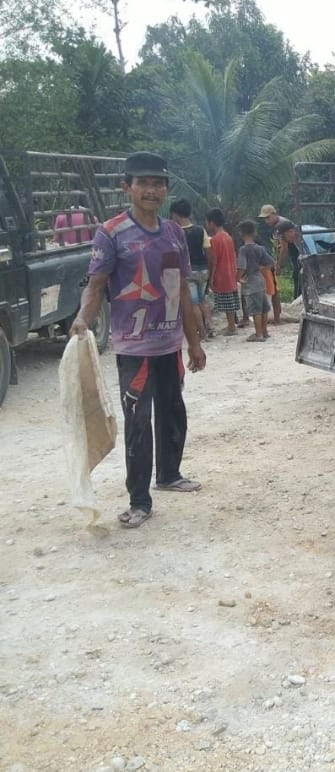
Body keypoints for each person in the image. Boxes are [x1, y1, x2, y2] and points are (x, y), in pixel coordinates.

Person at [70, 152, 206, 529]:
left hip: (169, 345)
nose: (152, 190)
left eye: (158, 183)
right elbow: (96, 287)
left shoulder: (174, 233)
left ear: (165, 189)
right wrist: (83, 319)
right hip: (134, 349)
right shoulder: (111, 233)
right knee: (138, 422)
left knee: (173, 411)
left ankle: (169, 474)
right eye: (143, 183)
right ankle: (139, 500)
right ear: (126, 187)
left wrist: (193, 343)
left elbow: (181, 293)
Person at [169, 198, 214, 339]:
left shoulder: (175, 232)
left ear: (175, 215)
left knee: (193, 303)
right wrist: (210, 272)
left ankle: (201, 332)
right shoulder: (201, 230)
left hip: (188, 272)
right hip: (203, 269)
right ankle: (210, 326)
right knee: (203, 300)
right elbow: (208, 252)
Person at [236, 220, 274, 342]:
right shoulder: (260, 248)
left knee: (255, 310)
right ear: (254, 232)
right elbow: (271, 262)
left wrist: (238, 278)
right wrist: (260, 268)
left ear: (241, 233)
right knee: (263, 308)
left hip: (250, 282)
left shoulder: (243, 250)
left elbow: (242, 266)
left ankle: (258, 334)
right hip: (260, 280)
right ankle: (265, 331)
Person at [205, 208, 240, 336]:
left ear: (212, 223)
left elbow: (214, 261)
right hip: (230, 271)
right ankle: (231, 325)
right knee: (230, 300)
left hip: (221, 274)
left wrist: (211, 277)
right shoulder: (228, 237)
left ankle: (231, 327)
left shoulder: (214, 240)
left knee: (226, 301)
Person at [257, 204, 289, 324]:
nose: (266, 221)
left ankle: (277, 318)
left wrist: (279, 265)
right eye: (265, 218)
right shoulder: (279, 224)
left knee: (275, 291)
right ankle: (277, 317)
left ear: (275, 214)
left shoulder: (279, 226)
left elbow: (284, 248)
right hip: (277, 258)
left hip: (296, 252)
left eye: (268, 217)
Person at [274, 220, 306, 302]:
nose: (283, 240)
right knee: (298, 272)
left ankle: (300, 297)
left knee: (300, 272)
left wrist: (279, 266)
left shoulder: (304, 236)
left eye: (283, 237)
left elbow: (313, 255)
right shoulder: (296, 235)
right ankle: (299, 297)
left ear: (291, 231)